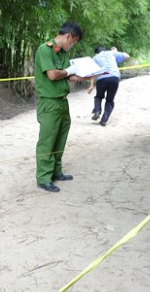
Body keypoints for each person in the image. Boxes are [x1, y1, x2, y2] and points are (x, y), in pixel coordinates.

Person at [34, 21, 86, 192]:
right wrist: (70, 71)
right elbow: (53, 74)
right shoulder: (45, 49)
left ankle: (56, 171)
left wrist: (85, 75)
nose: (73, 45)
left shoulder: (62, 54)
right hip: (49, 102)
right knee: (47, 141)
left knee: (60, 139)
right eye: (75, 41)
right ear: (69, 36)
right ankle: (43, 177)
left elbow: (68, 76)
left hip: (63, 102)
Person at [87, 46, 129, 126]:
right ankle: (104, 120)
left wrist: (91, 85)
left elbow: (92, 73)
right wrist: (116, 52)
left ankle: (97, 111)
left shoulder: (95, 58)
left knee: (98, 96)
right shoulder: (111, 53)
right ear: (104, 50)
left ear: (96, 52)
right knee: (110, 100)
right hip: (114, 77)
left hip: (101, 78)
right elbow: (127, 56)